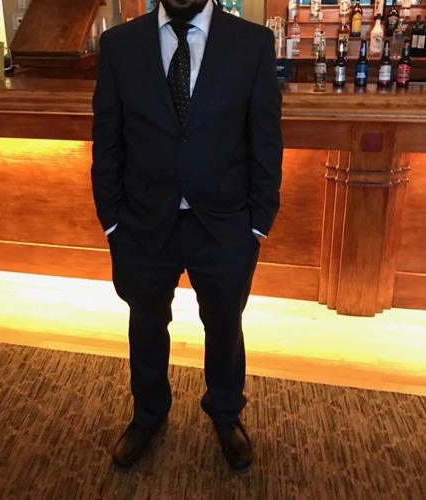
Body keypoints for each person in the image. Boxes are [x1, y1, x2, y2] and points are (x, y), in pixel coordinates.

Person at [92, 0, 283, 472]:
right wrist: (112, 221)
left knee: (224, 325)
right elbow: (108, 138)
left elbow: (264, 138)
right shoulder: (119, 45)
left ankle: (226, 412)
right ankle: (148, 414)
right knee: (145, 324)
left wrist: (257, 222)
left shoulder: (253, 44)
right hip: (142, 223)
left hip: (224, 225)